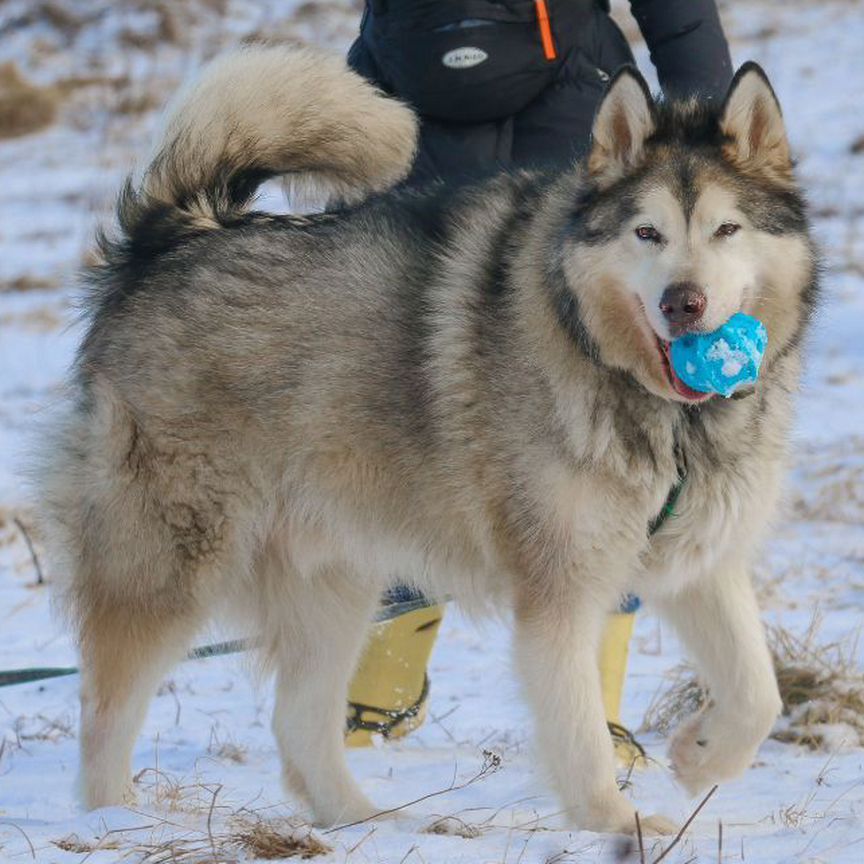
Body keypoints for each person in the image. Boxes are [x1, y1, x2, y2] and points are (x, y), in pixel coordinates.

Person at [343, 0, 732, 758]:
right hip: (409, 108)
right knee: (396, 409)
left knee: (610, 413)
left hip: (546, 116)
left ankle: (584, 707)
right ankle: (380, 679)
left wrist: (704, 130)